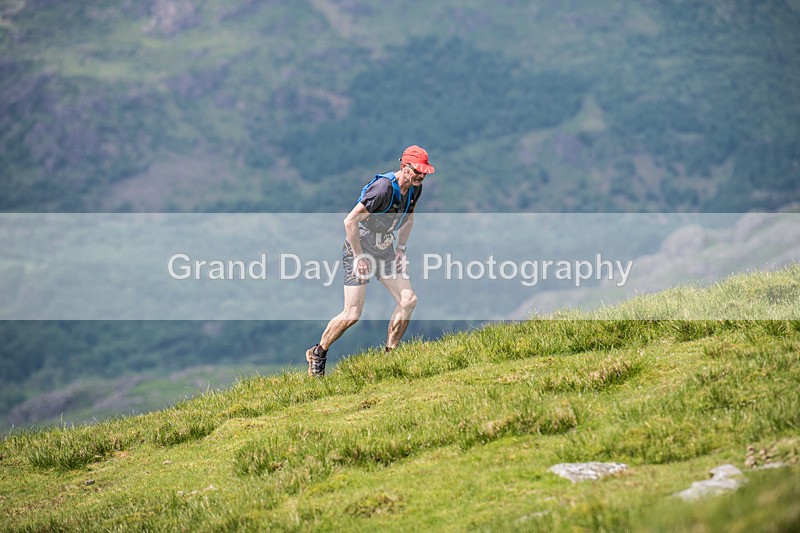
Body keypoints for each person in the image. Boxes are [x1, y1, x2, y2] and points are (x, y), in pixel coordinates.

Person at [305, 145, 435, 377]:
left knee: (408, 300)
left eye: (424, 172)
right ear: (403, 167)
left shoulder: (416, 188)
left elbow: (409, 218)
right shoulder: (383, 189)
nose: (421, 176)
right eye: (417, 171)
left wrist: (401, 249)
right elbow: (349, 222)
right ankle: (318, 352)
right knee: (352, 314)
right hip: (360, 247)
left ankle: (389, 356)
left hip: (385, 249)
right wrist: (358, 257)